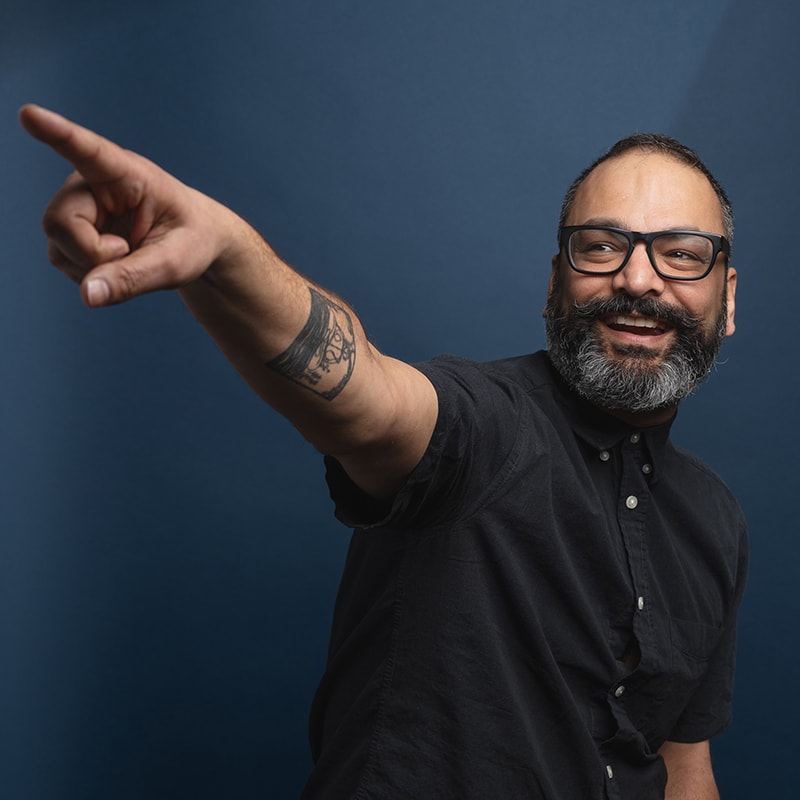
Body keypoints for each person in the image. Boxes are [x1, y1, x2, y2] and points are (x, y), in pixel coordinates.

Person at [19, 104, 747, 800]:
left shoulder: (715, 520)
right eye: (601, 246)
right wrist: (223, 251)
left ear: (728, 297)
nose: (638, 278)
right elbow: (367, 398)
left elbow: (682, 765)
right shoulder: (485, 425)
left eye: (683, 254)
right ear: (556, 283)